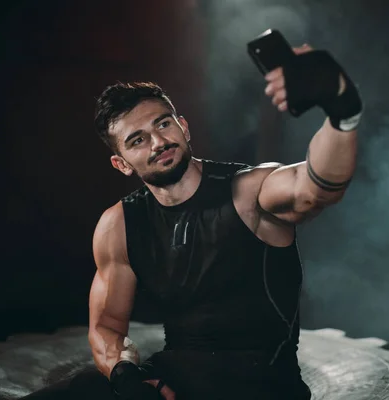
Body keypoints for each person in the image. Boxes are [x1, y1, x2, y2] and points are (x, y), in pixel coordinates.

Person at [26, 43, 362, 400]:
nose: (158, 142)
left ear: (183, 127)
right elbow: (106, 327)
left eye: (163, 124)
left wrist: (342, 111)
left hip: (262, 387)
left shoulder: (249, 191)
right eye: (138, 140)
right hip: (175, 381)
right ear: (122, 164)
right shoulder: (119, 225)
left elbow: (315, 187)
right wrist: (125, 376)